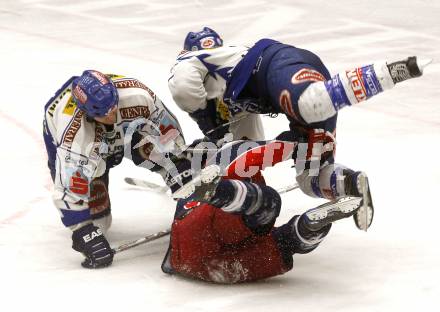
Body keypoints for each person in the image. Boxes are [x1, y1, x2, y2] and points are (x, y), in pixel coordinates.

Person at [168, 27, 430, 228]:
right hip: (293, 88)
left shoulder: (191, 59)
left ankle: (387, 72)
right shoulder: (227, 82)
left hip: (274, 65)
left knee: (310, 104)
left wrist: (206, 122)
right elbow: (244, 147)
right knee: (312, 177)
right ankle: (349, 184)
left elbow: (182, 88)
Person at [43, 70, 195, 269]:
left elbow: (167, 130)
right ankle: (98, 181)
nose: (112, 115)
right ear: (87, 112)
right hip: (81, 145)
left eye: (113, 107)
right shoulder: (73, 133)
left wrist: (180, 167)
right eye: (104, 114)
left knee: (160, 150)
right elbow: (69, 189)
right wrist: (83, 231)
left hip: (127, 133)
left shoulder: (138, 96)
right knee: (99, 225)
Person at [161, 139, 364, 283]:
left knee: (282, 242)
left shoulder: (201, 179)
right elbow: (268, 148)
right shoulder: (227, 155)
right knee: (271, 205)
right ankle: (218, 192)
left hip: (193, 262)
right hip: (207, 234)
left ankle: (309, 225)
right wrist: (297, 143)